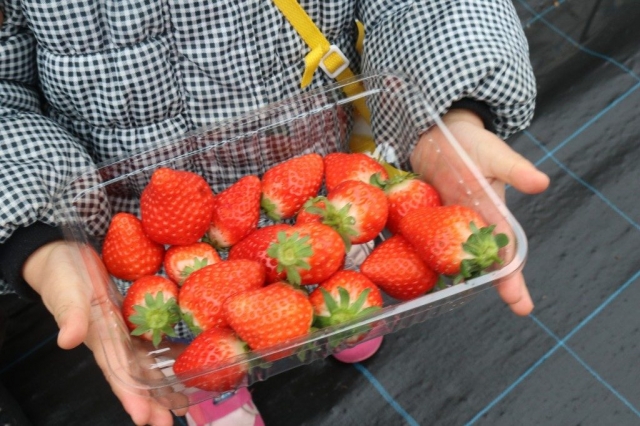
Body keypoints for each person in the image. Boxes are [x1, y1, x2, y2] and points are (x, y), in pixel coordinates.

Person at [0, 1, 549, 425]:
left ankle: (339, 313)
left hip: (311, 184)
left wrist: (449, 115)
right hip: (142, 218)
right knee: (189, 336)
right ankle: (217, 387)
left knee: (343, 275)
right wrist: (39, 240)